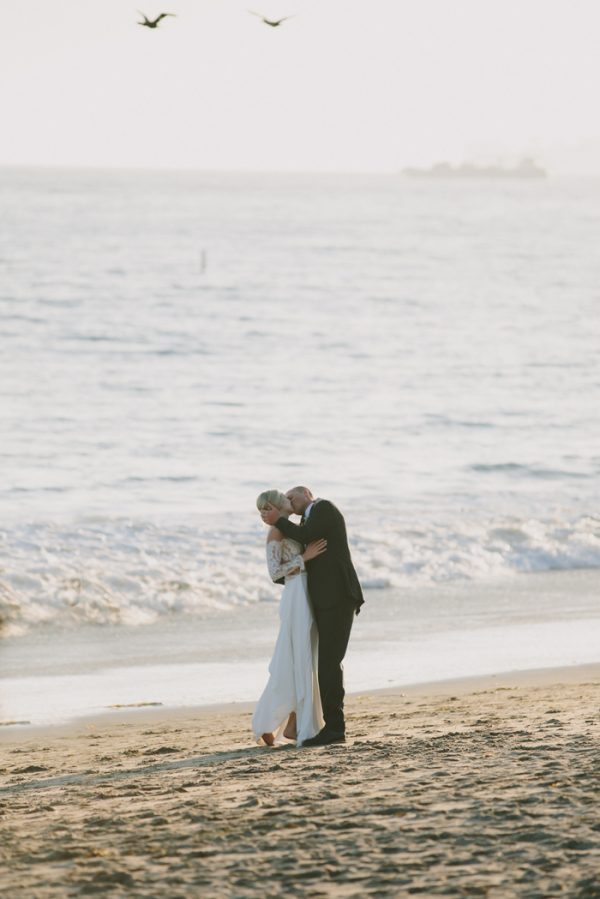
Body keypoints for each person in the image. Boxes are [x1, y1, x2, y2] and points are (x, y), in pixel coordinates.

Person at [261, 487, 363, 746]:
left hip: (338, 598)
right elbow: (280, 574)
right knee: (313, 662)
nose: (290, 501)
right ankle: (313, 724)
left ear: (307, 493)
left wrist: (280, 520)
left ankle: (335, 728)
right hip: (313, 601)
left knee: (328, 663)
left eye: (293, 496)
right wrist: (300, 567)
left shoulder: (323, 509)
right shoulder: (302, 523)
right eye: (286, 499)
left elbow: (306, 536)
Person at [252, 489, 327, 746]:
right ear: (276, 506)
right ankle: (265, 720)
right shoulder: (276, 532)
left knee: (302, 657)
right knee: (294, 656)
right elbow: (274, 573)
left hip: (305, 591)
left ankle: (294, 724)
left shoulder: (293, 527)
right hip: (296, 593)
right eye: (283, 498)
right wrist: (303, 558)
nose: (288, 499)